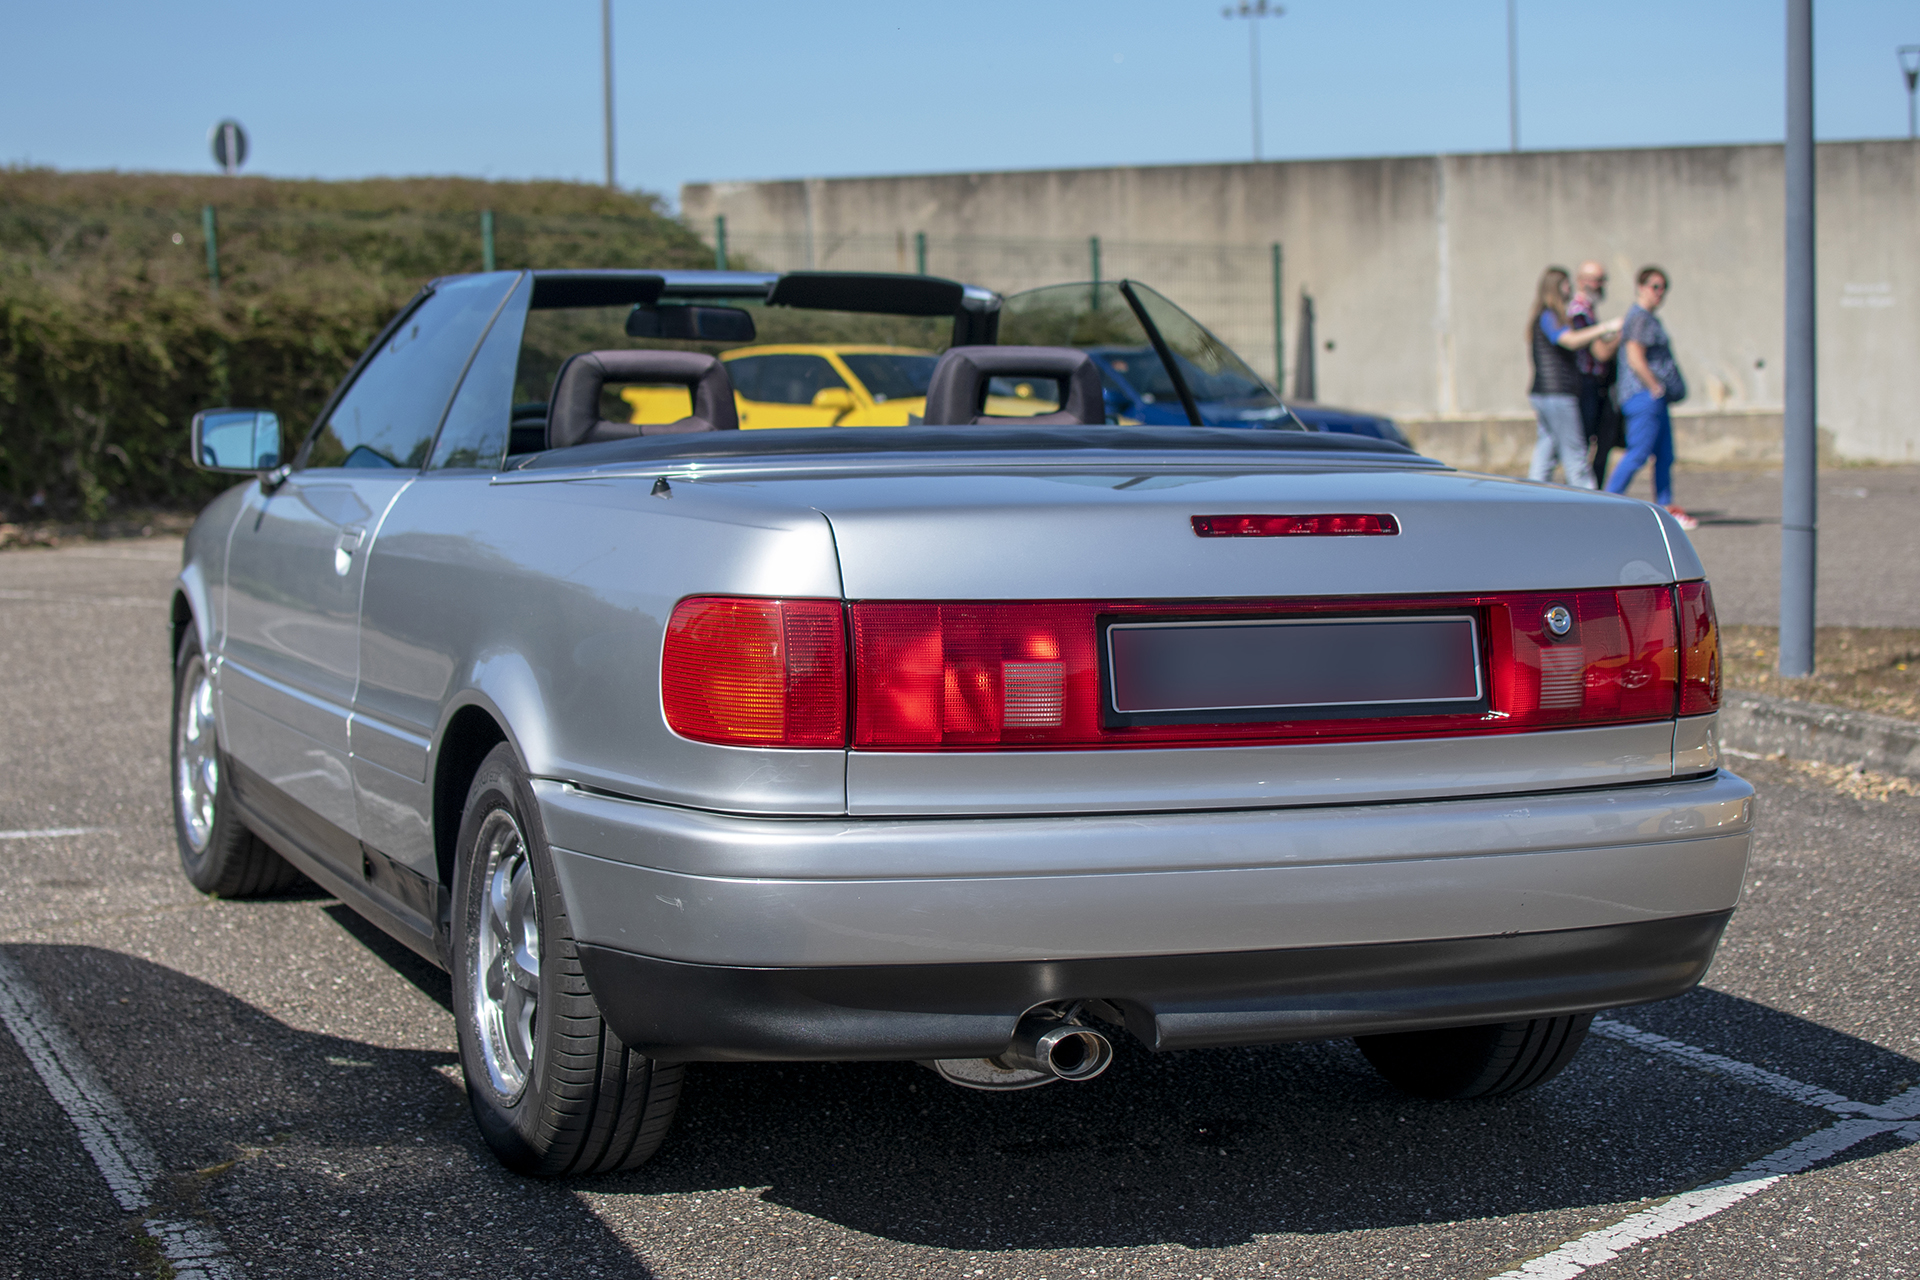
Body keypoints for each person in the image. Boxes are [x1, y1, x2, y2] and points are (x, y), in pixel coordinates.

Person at [1604, 266, 1696, 529]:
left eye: (1663, 288)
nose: (1660, 293)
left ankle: (1667, 508)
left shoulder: (1649, 318)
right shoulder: (1640, 317)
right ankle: (1608, 501)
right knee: (1639, 452)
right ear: (1641, 287)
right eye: (1655, 286)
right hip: (1644, 397)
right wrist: (1654, 386)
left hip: (1656, 399)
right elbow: (1634, 355)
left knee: (1665, 455)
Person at [1526, 266, 1621, 488]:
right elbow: (1570, 341)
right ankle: (1589, 502)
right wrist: (1605, 328)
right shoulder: (1549, 316)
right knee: (1575, 454)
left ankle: (1531, 497)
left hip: (1546, 394)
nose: (1571, 289)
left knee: (1546, 452)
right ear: (1556, 287)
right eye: (1567, 284)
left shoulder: (1546, 316)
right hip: (1557, 394)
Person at [1567, 260, 1622, 485]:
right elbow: (1600, 353)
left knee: (1601, 443)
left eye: (1602, 280)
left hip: (1595, 384)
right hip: (1585, 384)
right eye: (1596, 280)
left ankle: (1593, 489)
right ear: (1581, 281)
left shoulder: (1588, 310)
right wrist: (1619, 334)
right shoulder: (1578, 312)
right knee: (1584, 444)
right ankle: (1587, 492)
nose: (1600, 285)